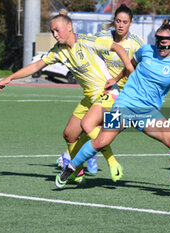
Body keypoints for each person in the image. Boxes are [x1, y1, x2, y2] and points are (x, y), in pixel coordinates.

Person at [55, 19, 170, 193]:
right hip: (124, 104)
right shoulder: (146, 51)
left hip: (148, 112)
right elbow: (130, 65)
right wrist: (117, 79)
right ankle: (70, 168)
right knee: (101, 141)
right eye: (157, 41)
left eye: (164, 43)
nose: (159, 46)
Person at [0, 11, 134, 183]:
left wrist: (129, 67)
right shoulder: (58, 51)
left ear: (69, 27)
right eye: (52, 31)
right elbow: (36, 66)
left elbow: (117, 47)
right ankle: (77, 173)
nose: (55, 34)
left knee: (87, 125)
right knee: (69, 134)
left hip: (109, 94)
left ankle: (112, 162)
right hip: (90, 98)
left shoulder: (86, 41)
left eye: (57, 30)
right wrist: (10, 78)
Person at [56, 5, 144, 180]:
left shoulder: (137, 43)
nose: (120, 25)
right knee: (83, 128)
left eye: (125, 22)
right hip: (103, 91)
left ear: (131, 23)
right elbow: (84, 44)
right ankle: (85, 159)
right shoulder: (102, 37)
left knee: (98, 129)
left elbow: (141, 69)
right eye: (118, 21)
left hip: (124, 96)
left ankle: (87, 156)